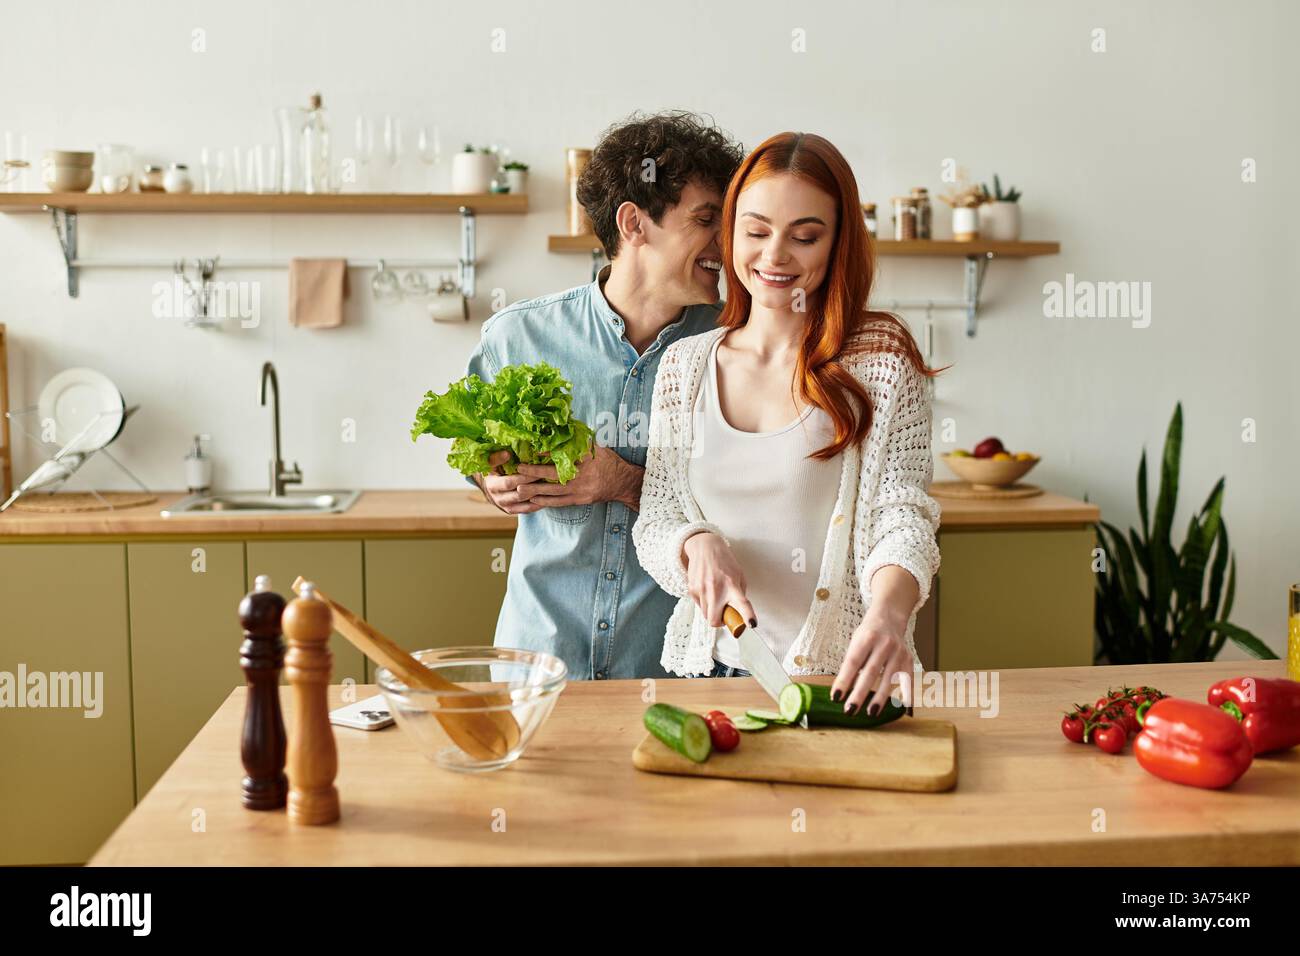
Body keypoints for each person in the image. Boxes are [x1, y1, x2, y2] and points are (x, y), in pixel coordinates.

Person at [633, 132, 943, 715]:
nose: (775, 257)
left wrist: (889, 615)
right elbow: (659, 515)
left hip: (845, 677)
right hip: (713, 676)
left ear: (838, 244)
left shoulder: (880, 360)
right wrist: (693, 541)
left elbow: (901, 512)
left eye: (804, 236)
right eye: (755, 232)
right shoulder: (683, 365)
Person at [466, 111, 743, 681]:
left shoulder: (736, 348)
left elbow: (753, 516)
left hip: (668, 673)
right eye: (706, 219)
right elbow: (472, 456)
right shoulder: (519, 337)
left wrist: (617, 480)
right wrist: (491, 480)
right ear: (634, 223)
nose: (729, 241)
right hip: (538, 664)